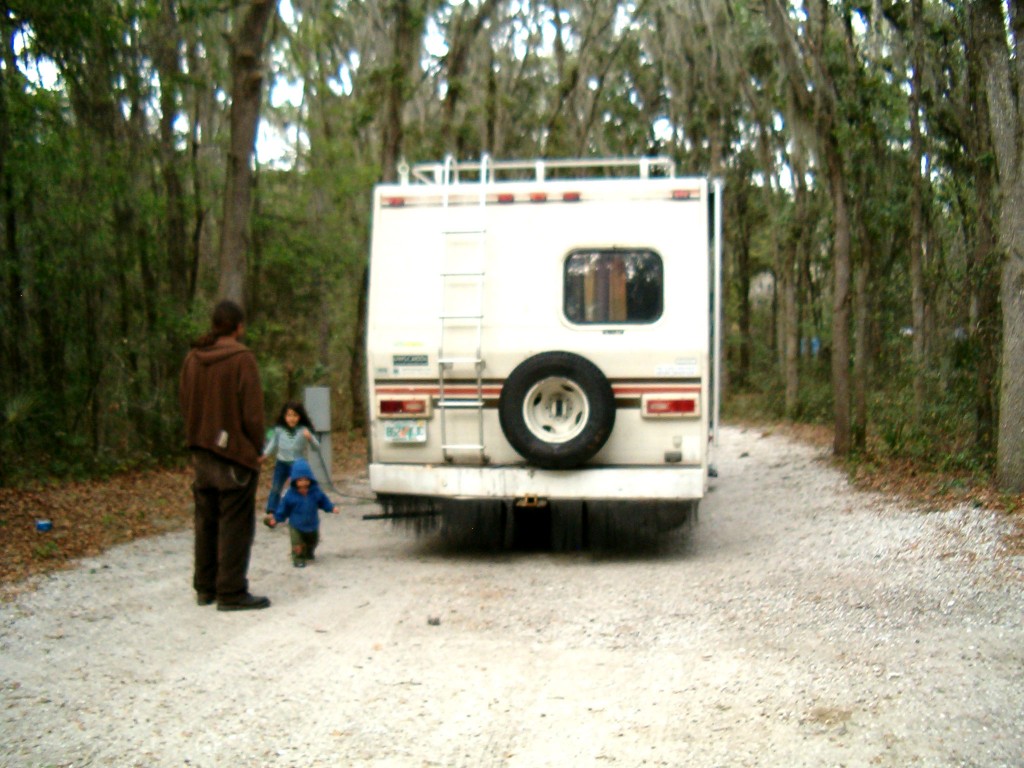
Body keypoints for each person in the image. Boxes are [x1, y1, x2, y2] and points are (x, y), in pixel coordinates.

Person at [179, 299, 270, 611]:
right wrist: (256, 449)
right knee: (235, 523)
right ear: (239, 326)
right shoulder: (242, 358)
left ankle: (205, 588)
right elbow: (253, 413)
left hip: (201, 452)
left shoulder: (193, 358)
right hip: (233, 455)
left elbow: (183, 401)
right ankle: (231, 591)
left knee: (206, 521)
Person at [262, 401, 320, 528]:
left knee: (299, 489)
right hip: (281, 462)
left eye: (295, 415)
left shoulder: (304, 430)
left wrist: (310, 437)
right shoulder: (279, 430)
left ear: (300, 416)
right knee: (276, 487)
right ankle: (272, 513)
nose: (291, 419)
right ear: (284, 416)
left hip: (297, 465)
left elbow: (317, 447)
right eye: (288, 415)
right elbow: (272, 444)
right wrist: (264, 455)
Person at [272, 458, 336, 568]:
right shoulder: (290, 495)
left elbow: (323, 501)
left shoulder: (315, 492)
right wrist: (277, 518)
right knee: (297, 543)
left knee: (314, 540)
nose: (303, 482)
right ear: (295, 481)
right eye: (300, 480)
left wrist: (331, 508)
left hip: (312, 524)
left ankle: (308, 552)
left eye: (306, 479)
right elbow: (284, 508)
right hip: (296, 525)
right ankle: (298, 558)